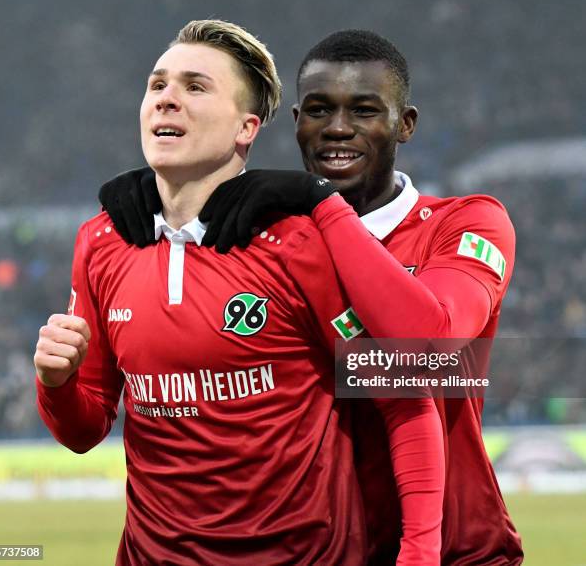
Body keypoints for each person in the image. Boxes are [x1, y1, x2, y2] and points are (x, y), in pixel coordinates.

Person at [100, 29, 524, 564]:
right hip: (324, 547)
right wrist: (160, 204)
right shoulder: (275, 239)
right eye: (320, 111)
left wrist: (318, 201)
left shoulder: (464, 223)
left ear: (405, 124)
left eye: (365, 111)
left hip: (454, 546)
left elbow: (428, 344)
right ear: (298, 123)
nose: (339, 129)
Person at [34, 21, 445, 566]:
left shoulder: (298, 243)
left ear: (246, 128)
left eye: (195, 87)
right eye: (157, 85)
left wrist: (420, 553)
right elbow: (85, 430)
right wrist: (56, 383)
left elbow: (407, 397)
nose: (167, 100)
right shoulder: (101, 241)